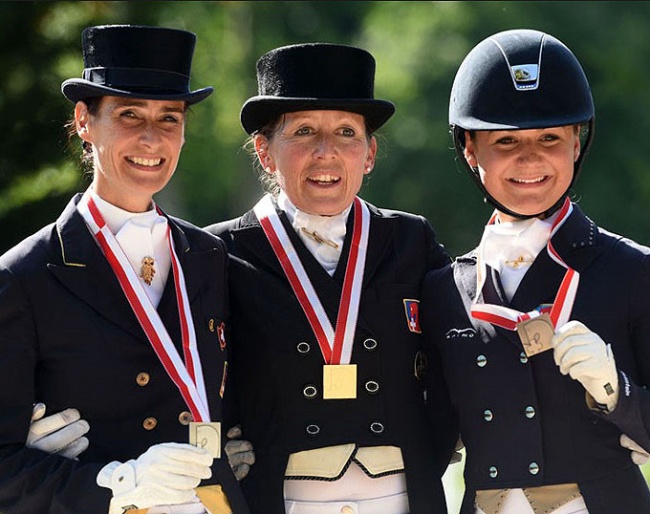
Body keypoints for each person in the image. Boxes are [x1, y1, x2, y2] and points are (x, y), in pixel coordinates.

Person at [0, 24, 248, 514]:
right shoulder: (25, 275)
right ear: (84, 121)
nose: (151, 138)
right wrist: (118, 482)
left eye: (170, 118)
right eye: (129, 115)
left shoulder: (209, 255)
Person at [203, 43, 457, 514]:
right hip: (280, 498)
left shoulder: (411, 241)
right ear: (265, 152)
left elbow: (463, 347)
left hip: (404, 497)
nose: (326, 153)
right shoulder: (219, 252)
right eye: (303, 132)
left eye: (346, 133)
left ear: (369, 153)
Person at [421, 28, 650, 514]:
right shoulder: (446, 289)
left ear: (575, 144)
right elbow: (428, 438)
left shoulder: (633, 271)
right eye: (506, 140)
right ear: (469, 150)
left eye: (549, 137)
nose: (530, 157)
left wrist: (617, 390)